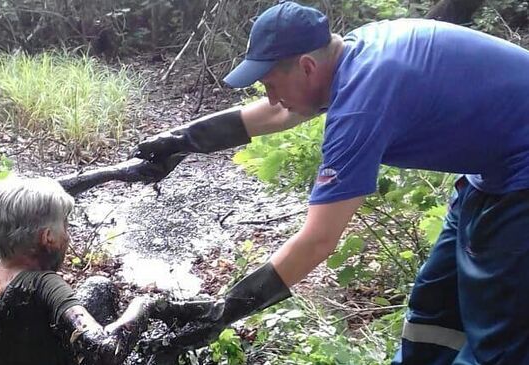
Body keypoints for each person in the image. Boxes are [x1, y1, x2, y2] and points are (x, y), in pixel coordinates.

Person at [132, 1, 529, 364]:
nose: (269, 97)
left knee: (498, 337)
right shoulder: (352, 52)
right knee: (434, 307)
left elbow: (319, 240)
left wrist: (226, 310)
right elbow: (281, 113)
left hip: (520, 181)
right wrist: (181, 140)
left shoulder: (361, 102)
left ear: (306, 66)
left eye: (270, 84)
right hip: (494, 172)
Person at [0, 175, 154, 365]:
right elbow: (105, 350)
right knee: (101, 289)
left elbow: (19, 209)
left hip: (4, 353)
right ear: (48, 237)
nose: (68, 235)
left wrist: (122, 172)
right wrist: (145, 305)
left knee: (99, 287)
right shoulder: (43, 285)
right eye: (65, 225)